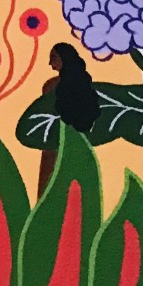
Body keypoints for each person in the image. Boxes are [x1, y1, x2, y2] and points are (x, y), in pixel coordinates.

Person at [38, 42, 100, 189]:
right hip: (62, 140)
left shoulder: (52, 86)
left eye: (53, 58)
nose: (50, 63)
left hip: (60, 140)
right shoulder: (55, 84)